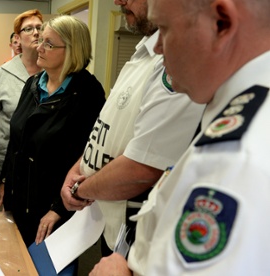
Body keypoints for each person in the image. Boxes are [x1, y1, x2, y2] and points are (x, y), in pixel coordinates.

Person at [91, 0, 270, 274]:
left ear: (221, 23)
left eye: (163, 29)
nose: (158, 47)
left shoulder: (235, 158)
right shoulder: (240, 111)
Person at [60, 0, 205, 259]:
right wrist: (78, 168)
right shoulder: (143, 50)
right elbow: (111, 129)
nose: (118, 1)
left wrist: (80, 190)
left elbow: (142, 168)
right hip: (107, 219)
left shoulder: (175, 60)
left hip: (135, 230)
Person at [0, 15, 106, 248]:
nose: (39, 48)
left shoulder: (88, 93)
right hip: (19, 200)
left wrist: (58, 209)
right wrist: (6, 182)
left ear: (72, 51)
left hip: (54, 207)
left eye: (48, 44)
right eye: (41, 41)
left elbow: (90, 158)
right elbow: (16, 140)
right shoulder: (34, 83)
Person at [0, 9, 43, 183]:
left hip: (42, 159)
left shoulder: (53, 72)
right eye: (28, 29)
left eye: (40, 27)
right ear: (17, 38)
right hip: (8, 159)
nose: (35, 32)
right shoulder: (2, 74)